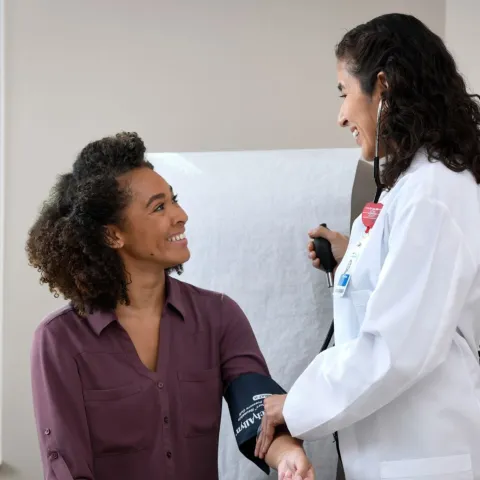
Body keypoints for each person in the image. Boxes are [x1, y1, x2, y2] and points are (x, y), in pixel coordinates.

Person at [255, 13, 480, 480]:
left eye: (343, 92)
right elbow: (390, 298)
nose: (340, 116)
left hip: (423, 457)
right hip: (388, 455)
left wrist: (296, 405)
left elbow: (394, 348)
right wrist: (348, 258)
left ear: (383, 88)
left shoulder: (433, 192)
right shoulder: (406, 189)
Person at [26, 132, 315, 480]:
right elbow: (67, 469)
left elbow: (255, 410)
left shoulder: (219, 317)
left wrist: (287, 456)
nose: (181, 215)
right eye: (159, 207)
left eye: (174, 200)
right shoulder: (60, 340)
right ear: (113, 235)